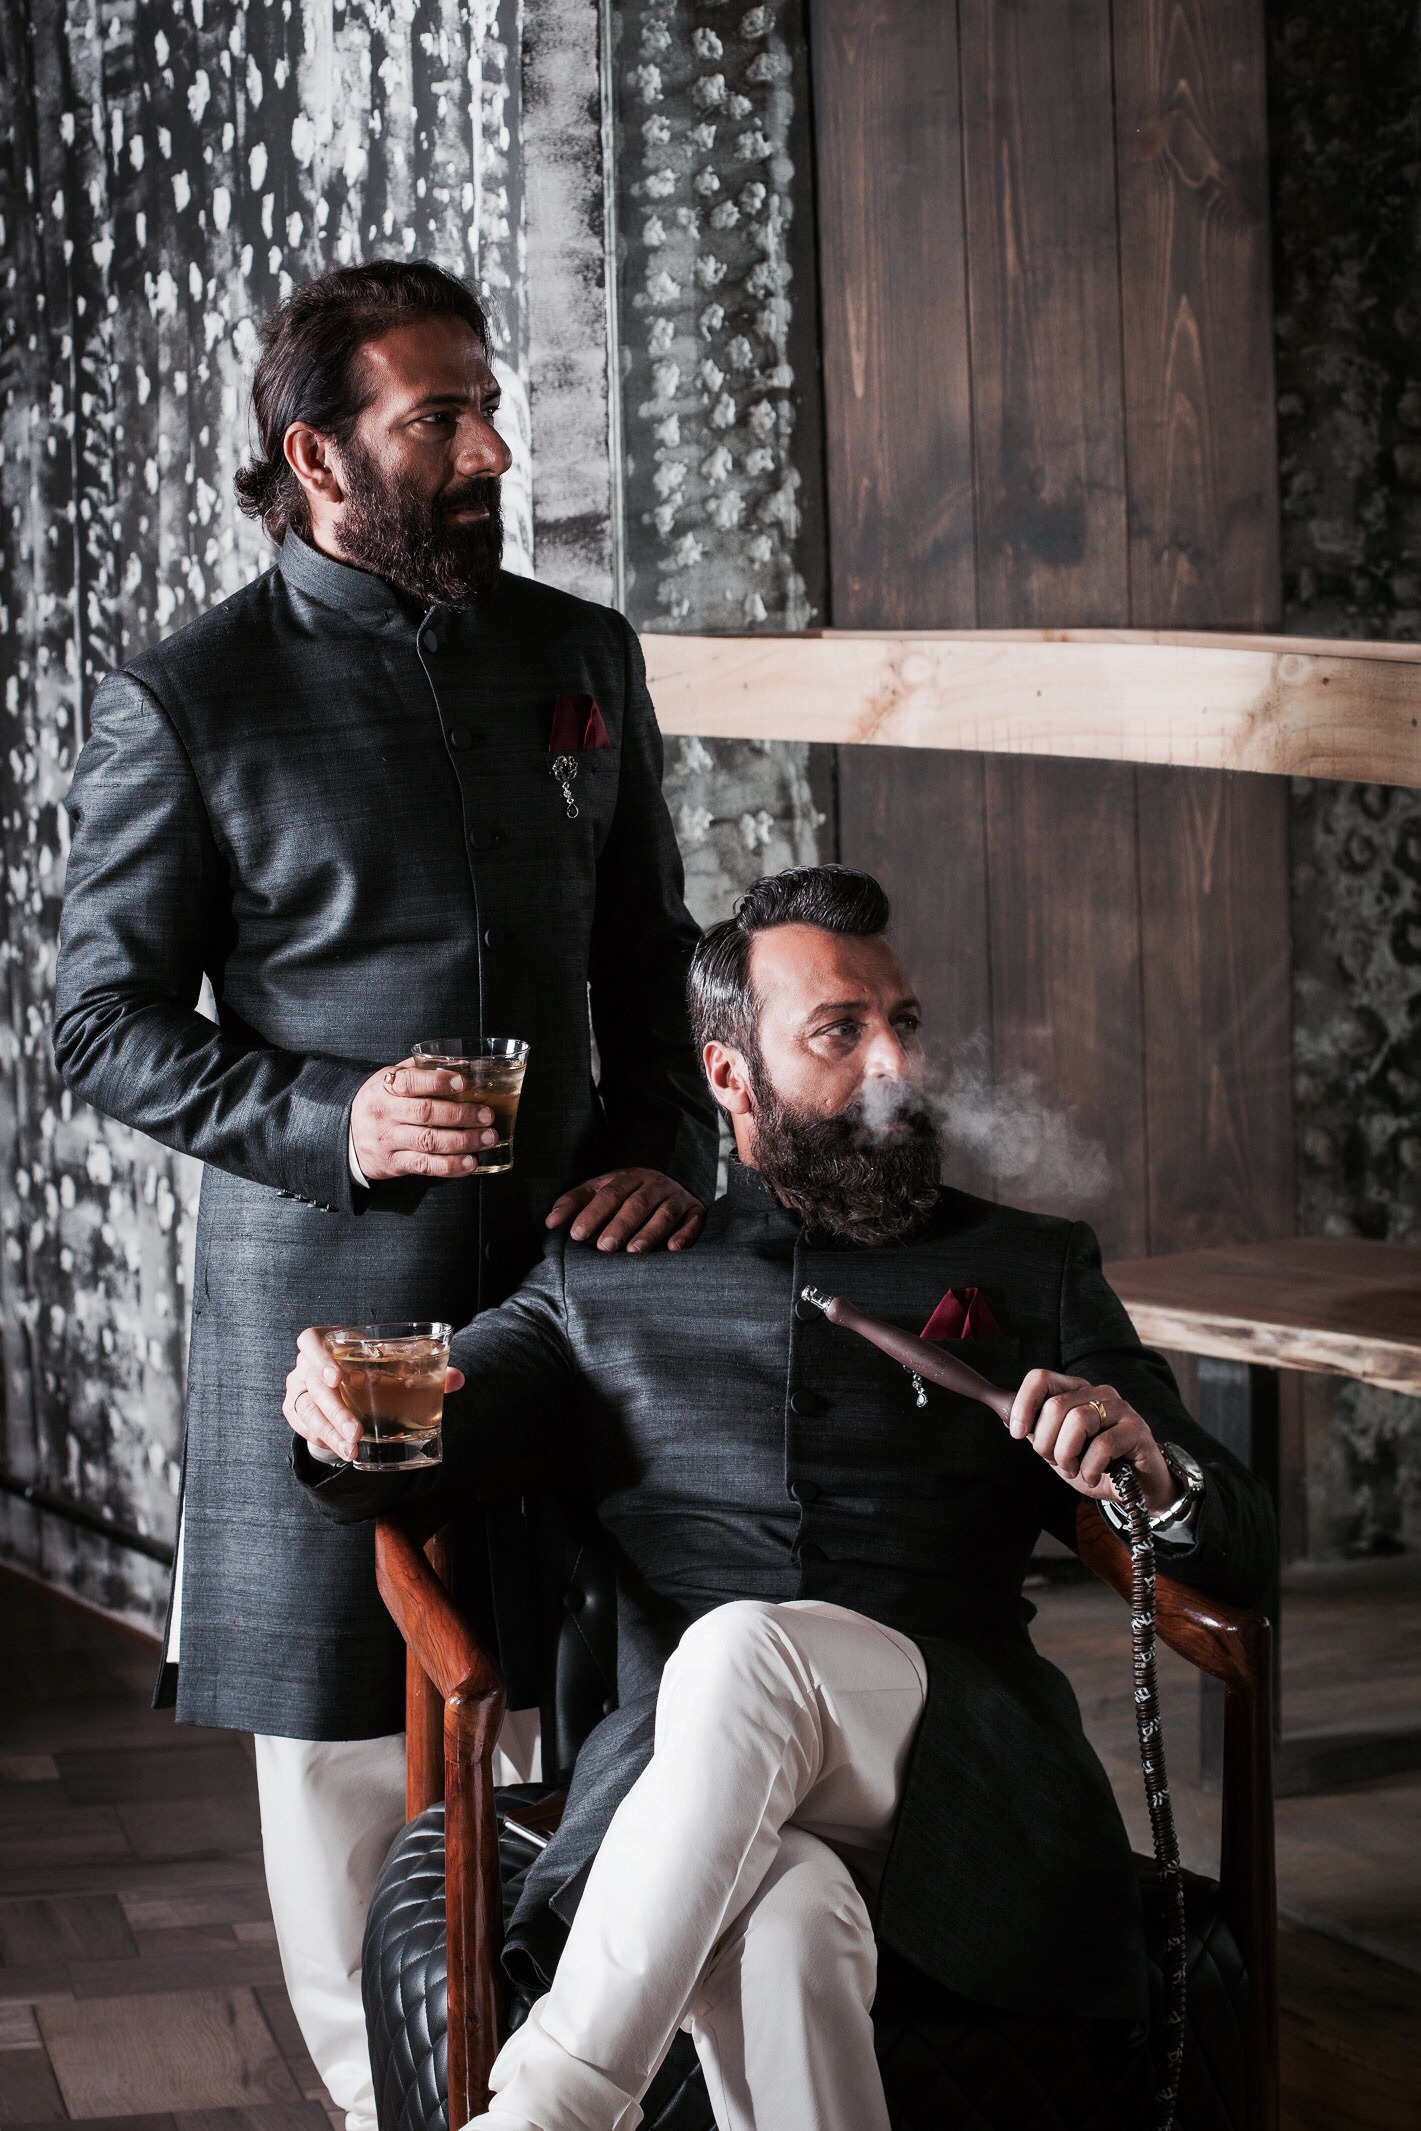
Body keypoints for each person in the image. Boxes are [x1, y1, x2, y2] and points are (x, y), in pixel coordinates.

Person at [284, 864, 1275, 2131]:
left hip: (963, 1776)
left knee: (745, 1650)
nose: (892, 1065)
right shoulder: (606, 1279)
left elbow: (1235, 1540)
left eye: (902, 1022)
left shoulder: (1031, 1264)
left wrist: (1152, 1472)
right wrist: (336, 1411)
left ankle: (546, 2111)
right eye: (838, 1032)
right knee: (792, 1914)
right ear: (727, 1075)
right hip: (682, 1792)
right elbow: (408, 1439)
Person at [52, 259, 716, 2131]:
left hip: (586, 1291)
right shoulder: (188, 697)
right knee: (351, 1745)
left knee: (609, 1695)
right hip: (330, 1309)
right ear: (319, 455)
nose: (493, 449)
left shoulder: (581, 656)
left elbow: (650, 956)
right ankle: (386, 2106)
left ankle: (590, 2086)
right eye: (441, 418)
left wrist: (668, 1151)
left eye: (488, 406)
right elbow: (98, 1024)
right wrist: (337, 1118)